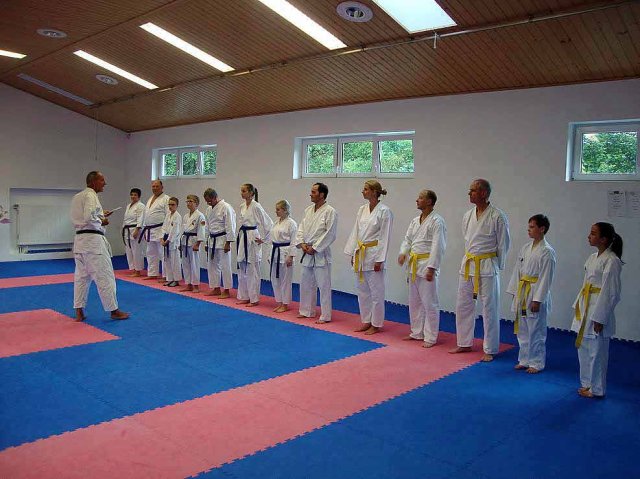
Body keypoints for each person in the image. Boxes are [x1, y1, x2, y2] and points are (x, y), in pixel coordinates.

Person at [450, 179, 510, 362]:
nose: (469, 193)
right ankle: (464, 342)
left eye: (473, 190)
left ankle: (490, 348)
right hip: (469, 264)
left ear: (484, 193)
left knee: (489, 307)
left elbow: (504, 243)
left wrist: (498, 265)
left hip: (487, 265)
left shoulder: (497, 216)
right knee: (463, 305)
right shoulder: (468, 215)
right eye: (470, 190)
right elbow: (467, 239)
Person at [571, 222, 623, 399]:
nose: (589, 236)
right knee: (584, 347)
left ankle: (597, 389)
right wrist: (579, 306)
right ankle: (587, 383)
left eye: (593, 233)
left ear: (604, 239)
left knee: (597, 351)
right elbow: (586, 284)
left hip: (598, 308)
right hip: (586, 304)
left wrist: (600, 317)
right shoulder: (592, 257)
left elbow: (611, 292)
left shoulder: (612, 260)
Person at [71, 171, 129, 321]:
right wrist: (102, 220)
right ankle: (113, 310)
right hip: (93, 243)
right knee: (105, 276)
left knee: (81, 278)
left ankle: (79, 310)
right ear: (93, 182)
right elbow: (89, 217)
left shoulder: (77, 197)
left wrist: (101, 214)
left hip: (80, 241)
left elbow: (85, 216)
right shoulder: (91, 195)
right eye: (102, 180)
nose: (105, 183)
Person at [506, 214, 556, 373]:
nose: (529, 230)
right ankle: (524, 359)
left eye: (532, 227)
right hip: (523, 290)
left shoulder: (547, 252)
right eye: (528, 227)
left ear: (542, 229)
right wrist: (515, 292)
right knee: (522, 329)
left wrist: (538, 299)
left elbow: (546, 278)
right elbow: (517, 271)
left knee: (536, 329)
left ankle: (536, 362)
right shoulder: (525, 248)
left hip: (535, 291)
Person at [398, 189, 447, 347]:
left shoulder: (437, 221)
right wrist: (403, 252)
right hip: (414, 265)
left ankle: (431, 337)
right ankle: (417, 332)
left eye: (420, 198)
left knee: (430, 302)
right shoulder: (415, 221)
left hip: (427, 264)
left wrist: (432, 267)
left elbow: (438, 246)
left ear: (429, 201)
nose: (417, 200)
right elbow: (407, 239)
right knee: (414, 301)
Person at [345, 180, 393, 335]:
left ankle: (376, 323)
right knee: (362, 290)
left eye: (365, 189)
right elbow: (356, 231)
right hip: (361, 253)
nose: (363, 191)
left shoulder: (385, 211)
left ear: (374, 192)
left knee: (376, 292)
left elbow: (385, 236)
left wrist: (380, 259)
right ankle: (366, 320)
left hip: (374, 254)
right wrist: (353, 252)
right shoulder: (362, 209)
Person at [295, 183, 338, 324]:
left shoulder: (330, 211)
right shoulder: (308, 210)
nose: (310, 194)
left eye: (313, 192)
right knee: (305, 283)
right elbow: (301, 228)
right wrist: (302, 244)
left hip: (320, 253)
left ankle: (325, 315)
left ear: (322, 194)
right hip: (306, 250)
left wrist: (315, 247)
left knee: (324, 285)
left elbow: (330, 233)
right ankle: (306, 310)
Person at [236, 184, 273, 306]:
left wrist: (264, 239)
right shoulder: (242, 206)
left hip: (252, 237)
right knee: (242, 266)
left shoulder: (256, 206)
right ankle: (244, 296)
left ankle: (254, 299)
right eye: (241, 191)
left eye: (244, 191)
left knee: (252, 268)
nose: (242, 193)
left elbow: (268, 223)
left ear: (251, 193)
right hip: (243, 236)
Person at [203, 188, 236, 299]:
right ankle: (216, 288)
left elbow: (230, 225)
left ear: (215, 197)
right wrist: (206, 242)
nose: (208, 203)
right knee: (212, 265)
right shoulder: (208, 209)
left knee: (225, 266)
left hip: (223, 239)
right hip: (212, 240)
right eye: (207, 201)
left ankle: (226, 290)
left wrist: (228, 242)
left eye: (210, 200)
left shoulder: (226, 207)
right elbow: (207, 226)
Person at [267, 200, 297, 313]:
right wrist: (269, 254)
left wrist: (291, 256)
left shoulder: (291, 223)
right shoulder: (276, 223)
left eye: (278, 209)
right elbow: (271, 240)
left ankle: (285, 304)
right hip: (275, 252)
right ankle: (279, 302)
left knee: (285, 280)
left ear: (285, 210)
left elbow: (294, 241)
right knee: (275, 279)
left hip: (285, 252)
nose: (276, 211)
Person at [140, 180, 170, 281]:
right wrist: (144, 228)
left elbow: (168, 216)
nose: (155, 188)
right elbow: (146, 215)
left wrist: (165, 231)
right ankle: (152, 273)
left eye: (157, 186)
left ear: (162, 187)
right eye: (153, 186)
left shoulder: (166, 199)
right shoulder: (150, 198)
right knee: (150, 252)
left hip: (160, 229)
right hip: (149, 229)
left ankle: (166, 276)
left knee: (162, 253)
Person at [180, 194, 206, 293]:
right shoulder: (186, 216)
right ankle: (188, 284)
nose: (188, 203)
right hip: (185, 241)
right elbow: (182, 230)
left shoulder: (200, 216)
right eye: (187, 201)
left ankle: (196, 285)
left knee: (194, 264)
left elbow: (201, 230)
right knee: (185, 264)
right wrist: (180, 243)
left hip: (194, 241)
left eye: (191, 201)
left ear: (196, 203)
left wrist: (198, 243)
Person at [122, 188, 145, 277]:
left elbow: (141, 218)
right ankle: (133, 269)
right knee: (129, 250)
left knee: (137, 251)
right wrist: (123, 228)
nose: (133, 196)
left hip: (135, 229)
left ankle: (138, 270)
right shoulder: (129, 205)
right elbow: (126, 219)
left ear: (139, 196)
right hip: (127, 229)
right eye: (132, 194)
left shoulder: (140, 206)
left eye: (135, 195)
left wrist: (137, 229)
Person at [161, 197, 182, 287]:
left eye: (173, 204)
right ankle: (169, 279)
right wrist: (161, 238)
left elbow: (174, 231)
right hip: (166, 239)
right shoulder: (168, 215)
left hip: (173, 242)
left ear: (177, 206)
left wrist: (168, 240)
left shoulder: (177, 216)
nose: (170, 206)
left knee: (175, 261)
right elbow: (163, 227)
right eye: (169, 204)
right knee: (167, 261)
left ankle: (176, 280)